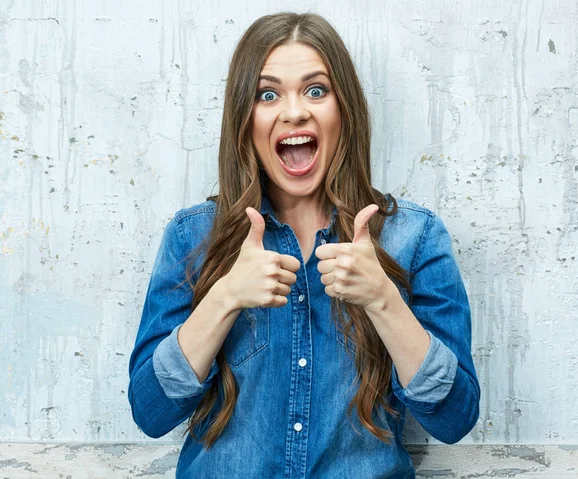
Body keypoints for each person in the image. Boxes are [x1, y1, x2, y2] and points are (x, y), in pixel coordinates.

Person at [128, 11, 480, 479]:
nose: (295, 111)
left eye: (316, 90)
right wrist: (226, 297)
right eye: (267, 94)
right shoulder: (193, 236)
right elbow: (151, 413)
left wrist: (383, 301)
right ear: (245, 118)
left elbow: (455, 418)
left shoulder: (414, 237)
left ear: (344, 110)